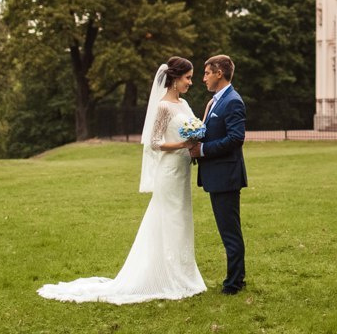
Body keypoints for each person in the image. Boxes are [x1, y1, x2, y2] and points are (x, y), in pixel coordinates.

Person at [37, 56, 205, 304]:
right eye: (188, 77)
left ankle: (184, 274)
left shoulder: (184, 103)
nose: (191, 82)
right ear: (174, 79)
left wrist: (196, 137)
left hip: (182, 171)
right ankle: (168, 276)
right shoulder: (163, 107)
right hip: (168, 172)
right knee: (169, 220)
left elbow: (192, 126)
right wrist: (183, 143)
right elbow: (155, 142)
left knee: (182, 220)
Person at [187, 54, 247, 295]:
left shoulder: (232, 101)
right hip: (217, 176)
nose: (203, 79)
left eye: (207, 73)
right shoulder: (215, 101)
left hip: (226, 177)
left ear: (219, 73)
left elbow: (235, 138)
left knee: (230, 232)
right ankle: (236, 279)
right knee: (227, 230)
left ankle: (234, 283)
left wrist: (202, 149)